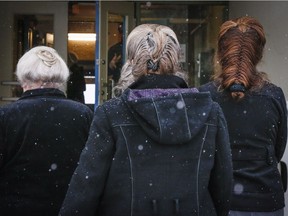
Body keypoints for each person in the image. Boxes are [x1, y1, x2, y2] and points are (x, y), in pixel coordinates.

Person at [60, 24, 233, 216]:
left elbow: (87, 184)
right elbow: (223, 186)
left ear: (132, 61)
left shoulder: (112, 113)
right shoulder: (210, 112)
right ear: (176, 62)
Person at [198, 16, 287, 216]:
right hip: (266, 201)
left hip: (217, 201)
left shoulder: (203, 96)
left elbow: (198, 153)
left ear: (221, 53)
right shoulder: (274, 96)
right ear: (258, 54)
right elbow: (277, 150)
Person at [0, 46, 94, 216]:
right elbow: (93, 168)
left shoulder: (6, 116)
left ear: (23, 79)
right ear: (60, 78)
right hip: (70, 207)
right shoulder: (82, 114)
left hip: (16, 208)